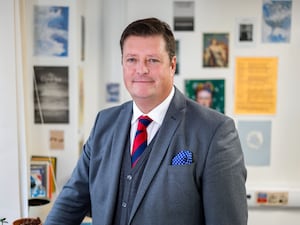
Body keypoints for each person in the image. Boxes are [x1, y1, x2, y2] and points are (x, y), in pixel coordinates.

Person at [44, 17, 247, 225]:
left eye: (152, 60)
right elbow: (71, 202)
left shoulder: (215, 131)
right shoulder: (105, 123)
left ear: (172, 65)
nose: (141, 70)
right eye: (132, 59)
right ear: (122, 63)